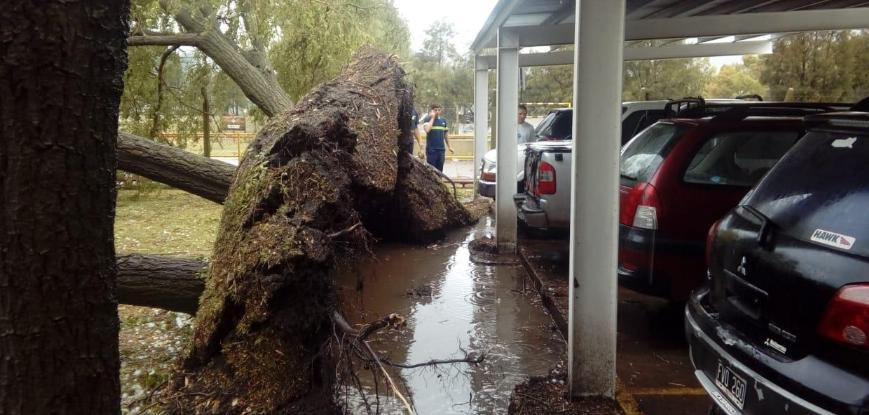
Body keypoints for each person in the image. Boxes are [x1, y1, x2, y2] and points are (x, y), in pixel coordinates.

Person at [420, 104, 453, 172]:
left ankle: (439, 182)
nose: (437, 111)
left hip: (441, 150)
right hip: (431, 150)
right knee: (431, 171)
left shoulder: (443, 120)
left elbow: (446, 134)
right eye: (435, 110)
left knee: (440, 171)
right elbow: (427, 130)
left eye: (439, 110)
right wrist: (432, 118)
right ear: (432, 111)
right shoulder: (427, 119)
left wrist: (449, 147)